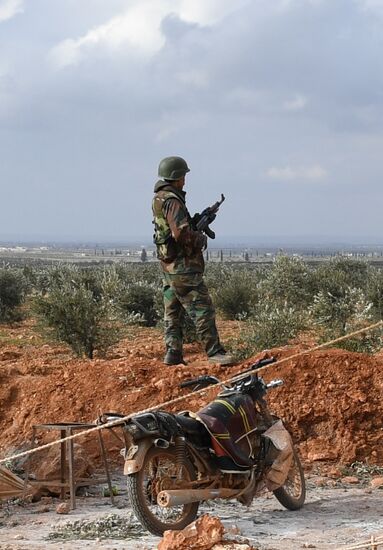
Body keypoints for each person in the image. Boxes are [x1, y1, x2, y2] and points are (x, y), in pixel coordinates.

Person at [152, 156, 235, 366]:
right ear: (176, 176)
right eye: (183, 176)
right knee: (202, 307)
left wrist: (196, 222)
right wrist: (199, 238)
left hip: (169, 265)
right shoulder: (172, 201)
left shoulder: (161, 198)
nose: (185, 180)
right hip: (182, 267)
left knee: (173, 311)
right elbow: (180, 234)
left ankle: (173, 354)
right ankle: (215, 352)